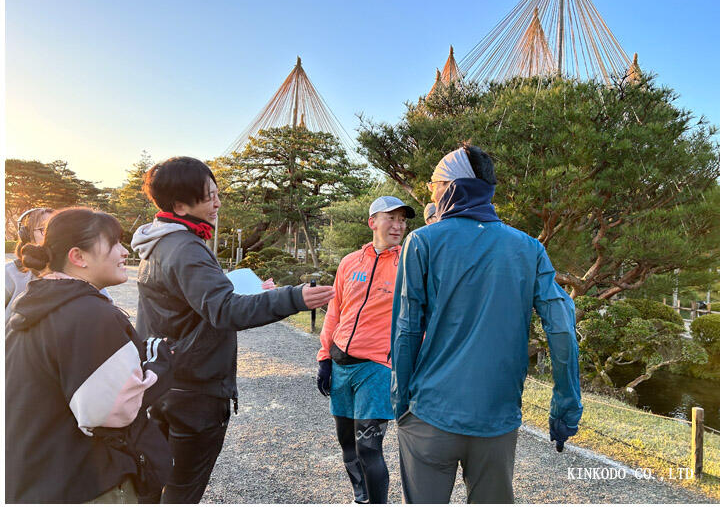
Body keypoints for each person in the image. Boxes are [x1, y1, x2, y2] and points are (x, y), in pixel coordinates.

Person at [131, 156, 335, 504]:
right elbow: (225, 310)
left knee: (158, 484)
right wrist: (295, 297)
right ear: (180, 205)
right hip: (194, 392)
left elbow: (192, 304)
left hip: (167, 381)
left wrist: (244, 291)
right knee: (182, 490)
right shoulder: (186, 248)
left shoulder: (160, 243)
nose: (218, 202)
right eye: (209, 195)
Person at [390, 145, 582, 504]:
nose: (432, 192)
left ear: (452, 187)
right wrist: (565, 409)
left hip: (430, 413)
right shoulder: (529, 248)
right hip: (498, 418)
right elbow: (561, 328)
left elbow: (405, 331)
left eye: (435, 184)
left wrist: (401, 403)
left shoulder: (422, 242)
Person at [5, 208, 174, 503]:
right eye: (114, 243)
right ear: (78, 257)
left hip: (37, 474)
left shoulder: (34, 299)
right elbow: (111, 412)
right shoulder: (91, 314)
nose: (124, 252)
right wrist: (158, 366)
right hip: (87, 482)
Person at [316, 195, 415, 504]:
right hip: (341, 361)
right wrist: (324, 357)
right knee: (346, 442)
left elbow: (419, 317)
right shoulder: (350, 262)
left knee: (369, 447)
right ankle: (361, 496)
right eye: (392, 218)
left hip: (377, 367)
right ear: (373, 222)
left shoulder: (408, 264)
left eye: (402, 220)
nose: (398, 225)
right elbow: (336, 310)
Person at [6, 207, 54, 322]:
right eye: (44, 229)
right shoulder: (9, 273)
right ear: (26, 235)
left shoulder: (79, 272)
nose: (53, 235)